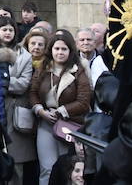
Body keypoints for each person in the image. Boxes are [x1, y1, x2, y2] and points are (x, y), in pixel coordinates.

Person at [29, 31, 88, 185]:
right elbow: (33, 93)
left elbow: (83, 101)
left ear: (70, 51)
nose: (60, 52)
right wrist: (40, 111)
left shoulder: (79, 70)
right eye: (57, 49)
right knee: (46, 168)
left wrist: (61, 111)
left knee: (65, 168)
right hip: (45, 123)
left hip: (69, 125)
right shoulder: (43, 67)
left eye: (64, 49)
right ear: (51, 50)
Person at [0, 17, 35, 184]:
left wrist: (0, 81)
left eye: (11, 29)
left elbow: (23, 84)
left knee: (16, 160)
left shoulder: (25, 55)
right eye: (4, 29)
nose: (8, 32)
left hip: (15, 107)